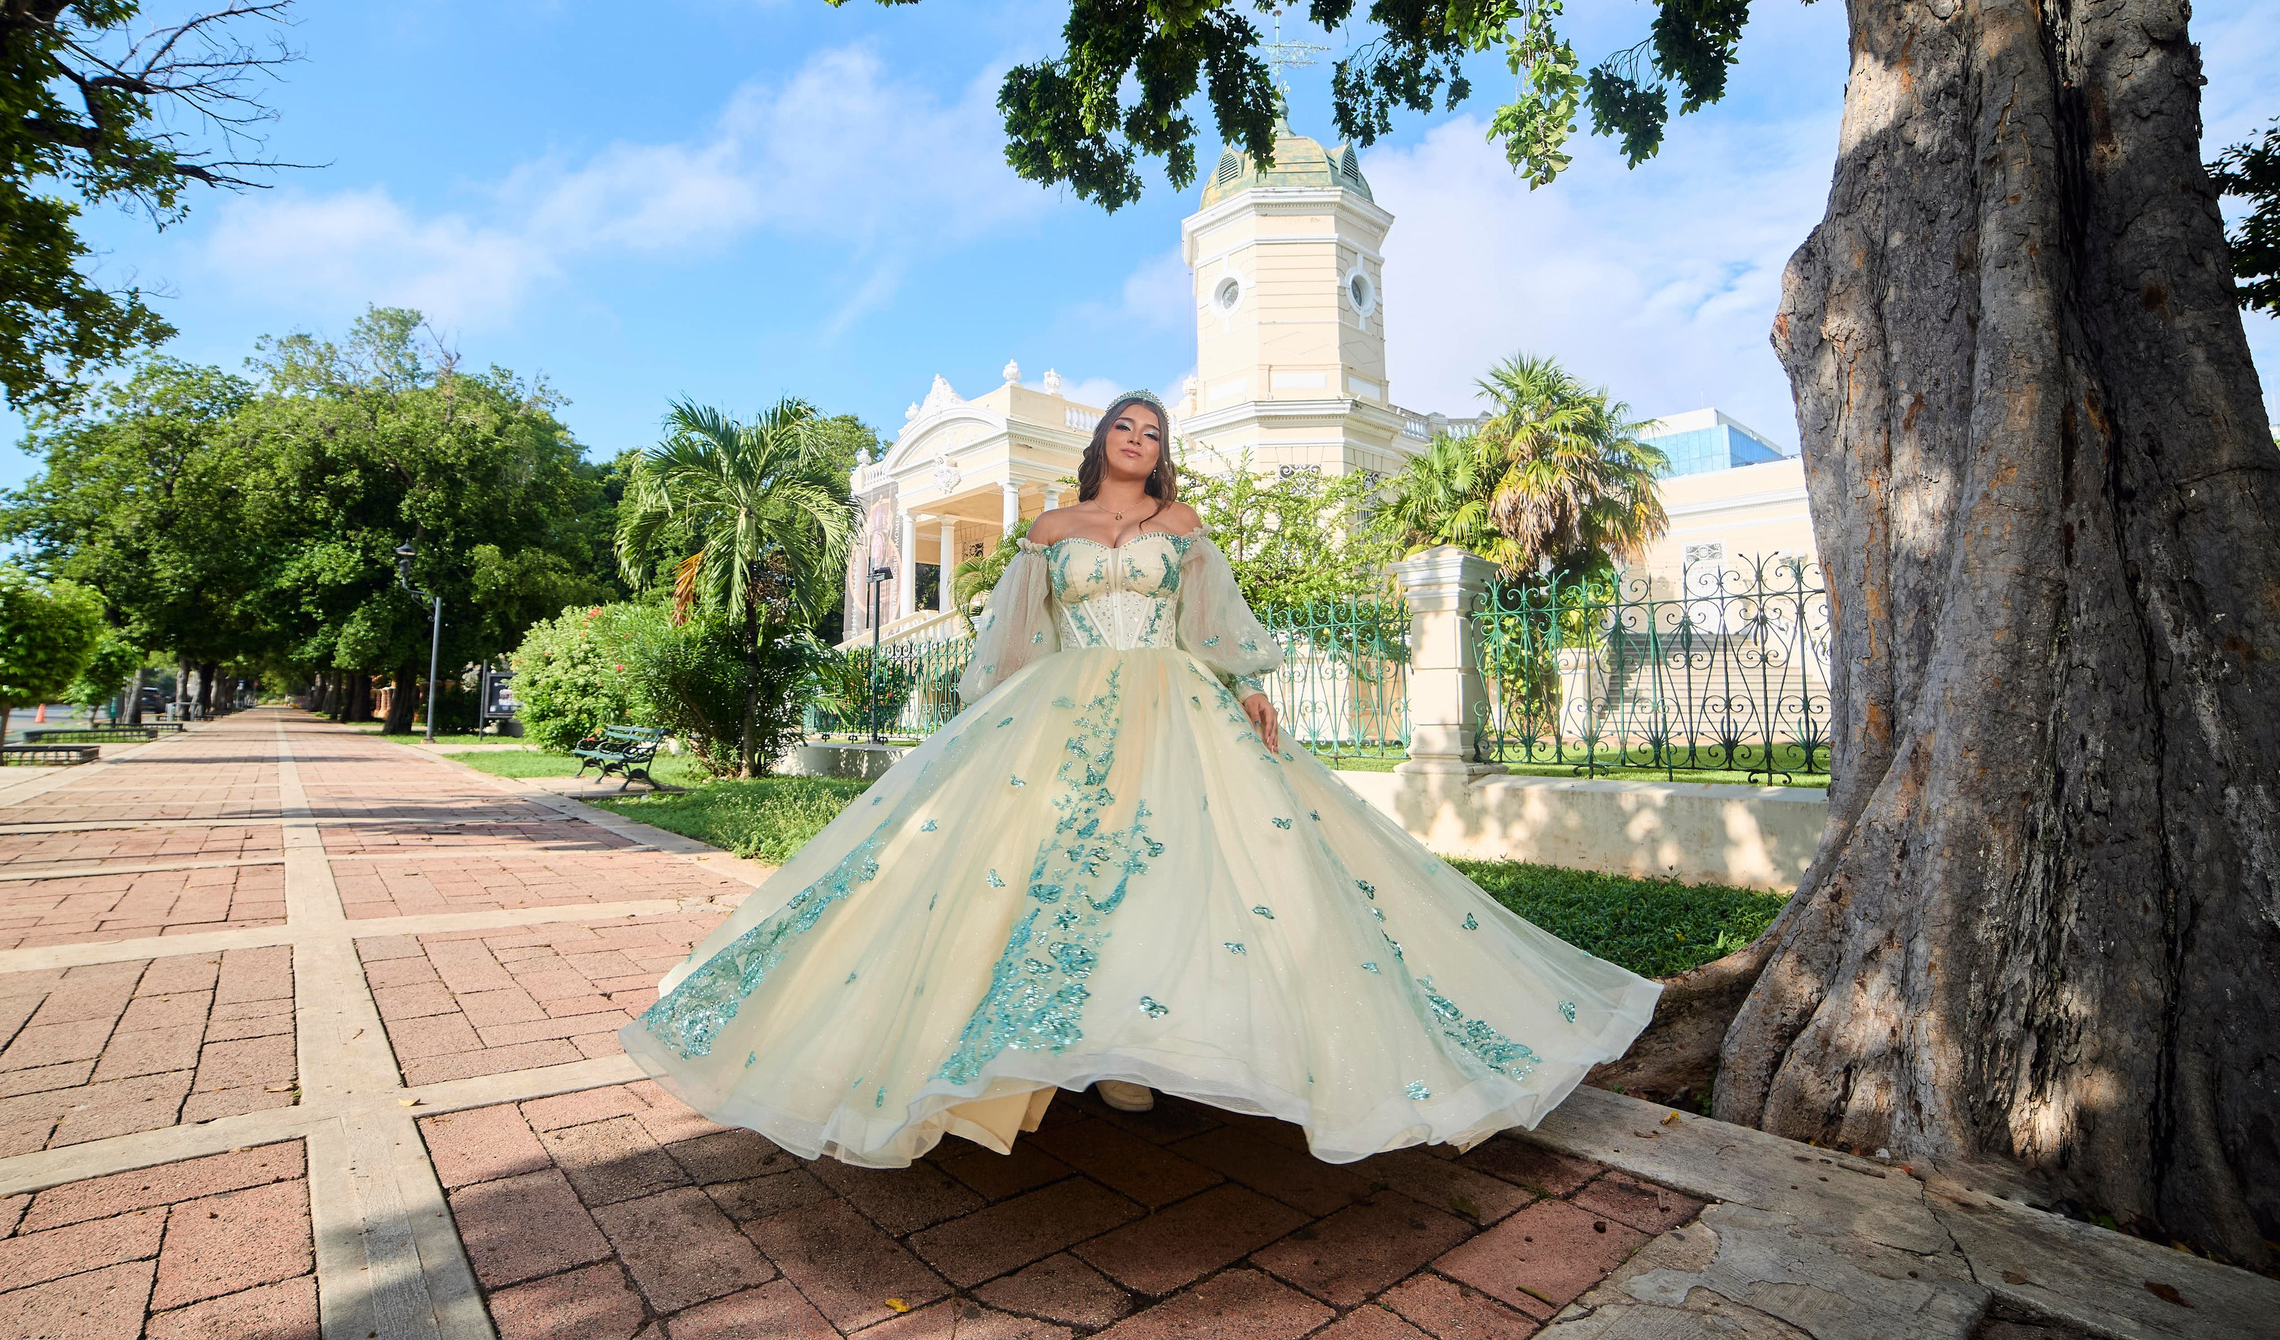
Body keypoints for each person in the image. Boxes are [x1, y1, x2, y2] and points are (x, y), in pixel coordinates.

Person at [618, 392, 1659, 1166]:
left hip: (1177, 704)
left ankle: (1144, 1048)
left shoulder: (1184, 530)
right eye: (1127, 427)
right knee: (1023, 870)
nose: (1139, 442)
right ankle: (1053, 1055)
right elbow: (1010, 643)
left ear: (1162, 456)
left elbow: (1216, 629)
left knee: (1193, 867)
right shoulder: (1047, 533)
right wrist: (981, 718)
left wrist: (1248, 687)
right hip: (1061, 710)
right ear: (1099, 442)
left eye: (1155, 434)